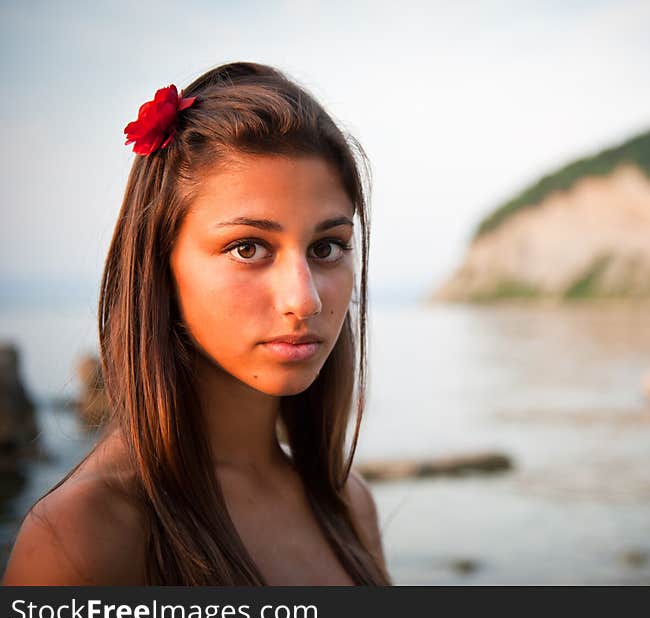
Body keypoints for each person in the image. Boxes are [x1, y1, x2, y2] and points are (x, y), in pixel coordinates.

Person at [2, 62, 391, 585]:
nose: (305, 300)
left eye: (327, 247)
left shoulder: (349, 505)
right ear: (160, 265)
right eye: (247, 247)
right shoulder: (82, 539)